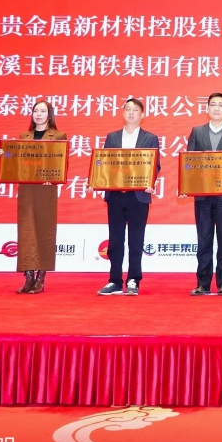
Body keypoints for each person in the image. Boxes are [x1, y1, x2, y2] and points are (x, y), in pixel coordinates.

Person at [0, 101, 67, 294]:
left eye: (43, 111)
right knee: (26, 230)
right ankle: (28, 276)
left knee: (44, 229)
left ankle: (41, 277)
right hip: (27, 188)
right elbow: (17, 162)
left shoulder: (59, 136)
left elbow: (61, 162)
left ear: (50, 115)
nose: (39, 114)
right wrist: (5, 154)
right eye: (36, 111)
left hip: (46, 189)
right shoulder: (23, 137)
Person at [97, 98, 161, 296]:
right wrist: (97, 180)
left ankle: (133, 279)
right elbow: (104, 163)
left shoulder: (150, 138)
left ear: (143, 115)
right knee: (115, 239)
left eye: (135, 110)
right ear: (123, 113)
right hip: (116, 195)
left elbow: (155, 165)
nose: (131, 113)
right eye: (128, 109)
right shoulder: (112, 137)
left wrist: (149, 181)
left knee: (136, 240)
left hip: (138, 196)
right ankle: (114, 280)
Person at [184, 92, 222, 297]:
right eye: (213, 104)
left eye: (221, 105)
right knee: (204, 240)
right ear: (207, 108)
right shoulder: (197, 132)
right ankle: (202, 283)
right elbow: (189, 163)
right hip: (202, 197)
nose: (216, 108)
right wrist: (186, 186)